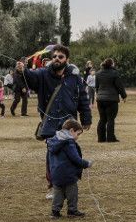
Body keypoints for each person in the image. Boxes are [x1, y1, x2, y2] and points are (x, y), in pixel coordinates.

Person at [16, 44, 92, 199]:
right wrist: (21, 70)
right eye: (55, 56)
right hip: (50, 121)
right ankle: (53, 186)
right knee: (53, 154)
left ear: (67, 60)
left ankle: (70, 183)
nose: (57, 59)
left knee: (71, 152)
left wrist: (86, 118)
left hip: (69, 122)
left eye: (60, 57)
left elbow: (83, 97)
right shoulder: (43, 73)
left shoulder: (75, 77)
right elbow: (30, 78)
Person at [46, 119, 91, 219]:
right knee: (72, 193)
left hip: (56, 173)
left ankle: (55, 212)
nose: (77, 137)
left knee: (58, 193)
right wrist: (86, 164)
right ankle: (72, 210)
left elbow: (48, 159)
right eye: (78, 134)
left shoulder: (54, 140)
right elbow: (75, 158)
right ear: (71, 131)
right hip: (68, 174)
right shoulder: (69, 142)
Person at [95, 58, 127, 143]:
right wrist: (124, 96)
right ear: (112, 64)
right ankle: (110, 138)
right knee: (110, 119)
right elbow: (119, 86)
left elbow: (97, 87)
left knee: (102, 119)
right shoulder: (114, 73)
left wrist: (99, 95)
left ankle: (101, 139)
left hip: (100, 99)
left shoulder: (98, 73)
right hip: (111, 99)